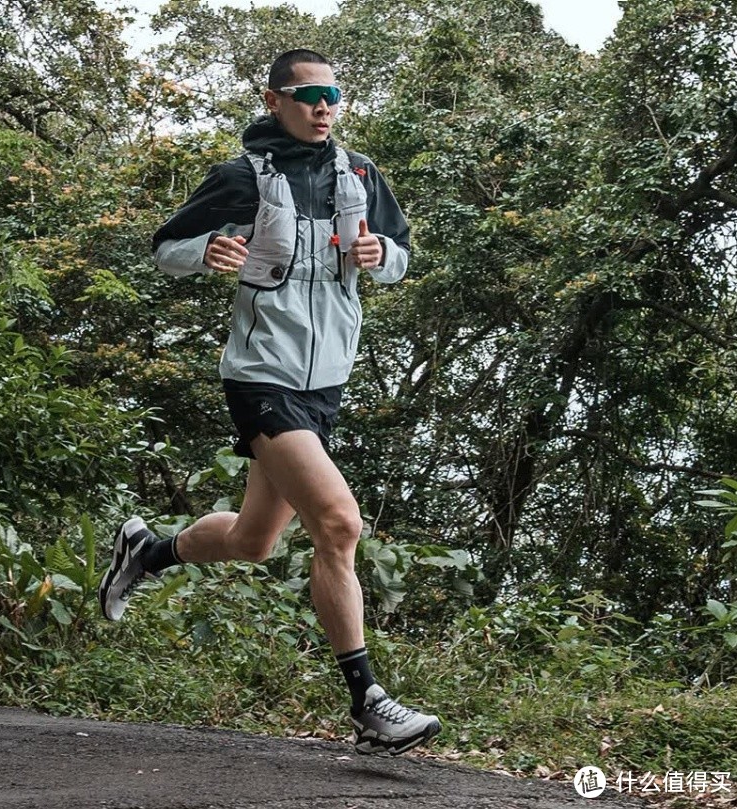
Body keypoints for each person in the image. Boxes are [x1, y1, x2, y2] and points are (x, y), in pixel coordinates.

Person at [98, 48, 441, 756]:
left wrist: (383, 258)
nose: (323, 105)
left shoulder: (360, 174)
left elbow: (402, 254)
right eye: (308, 93)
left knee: (255, 540)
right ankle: (368, 703)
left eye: (333, 94)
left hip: (325, 383)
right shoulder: (241, 177)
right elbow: (167, 246)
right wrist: (212, 249)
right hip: (260, 374)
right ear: (273, 100)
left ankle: (146, 550)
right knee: (339, 525)